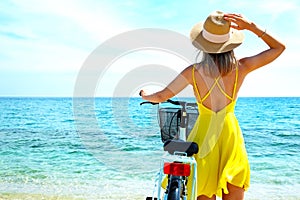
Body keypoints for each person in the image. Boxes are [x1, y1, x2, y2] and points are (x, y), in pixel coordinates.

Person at [140, 11, 285, 200]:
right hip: (229, 134)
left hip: (203, 135)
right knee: (233, 187)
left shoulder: (193, 71)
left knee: (202, 188)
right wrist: (251, 27)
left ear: (204, 45)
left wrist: (144, 94)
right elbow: (278, 48)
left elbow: (161, 95)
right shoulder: (241, 67)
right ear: (230, 43)